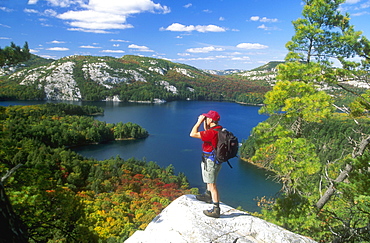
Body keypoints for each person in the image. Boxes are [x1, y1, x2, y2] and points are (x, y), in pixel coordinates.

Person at [190, 110, 222, 218]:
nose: (206, 119)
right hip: (215, 160)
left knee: (212, 185)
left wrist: (198, 122)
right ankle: (207, 196)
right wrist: (205, 121)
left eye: (207, 118)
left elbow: (192, 134)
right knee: (209, 181)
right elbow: (207, 131)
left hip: (211, 161)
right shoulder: (218, 129)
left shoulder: (212, 133)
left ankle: (216, 209)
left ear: (211, 120)